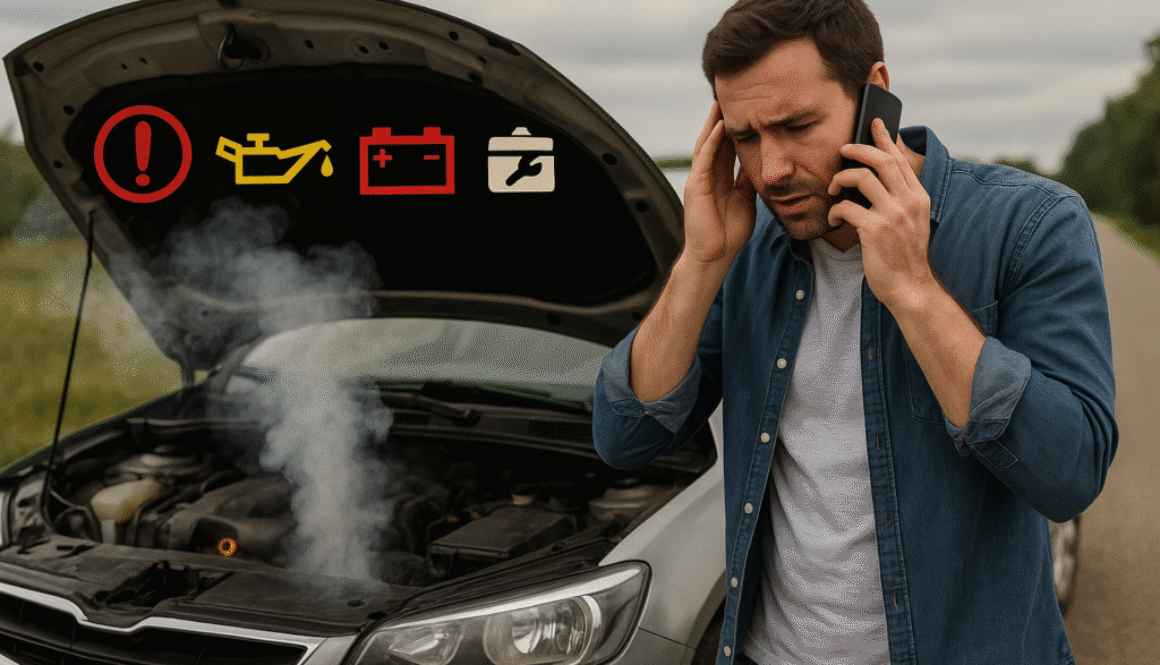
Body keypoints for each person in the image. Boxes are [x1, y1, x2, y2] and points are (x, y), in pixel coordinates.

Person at [591, 1, 1117, 664]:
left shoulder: (1031, 225)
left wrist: (915, 291)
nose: (772, 168)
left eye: (797, 125)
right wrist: (701, 262)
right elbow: (626, 435)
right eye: (746, 136)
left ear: (876, 92)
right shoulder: (747, 248)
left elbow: (1070, 472)